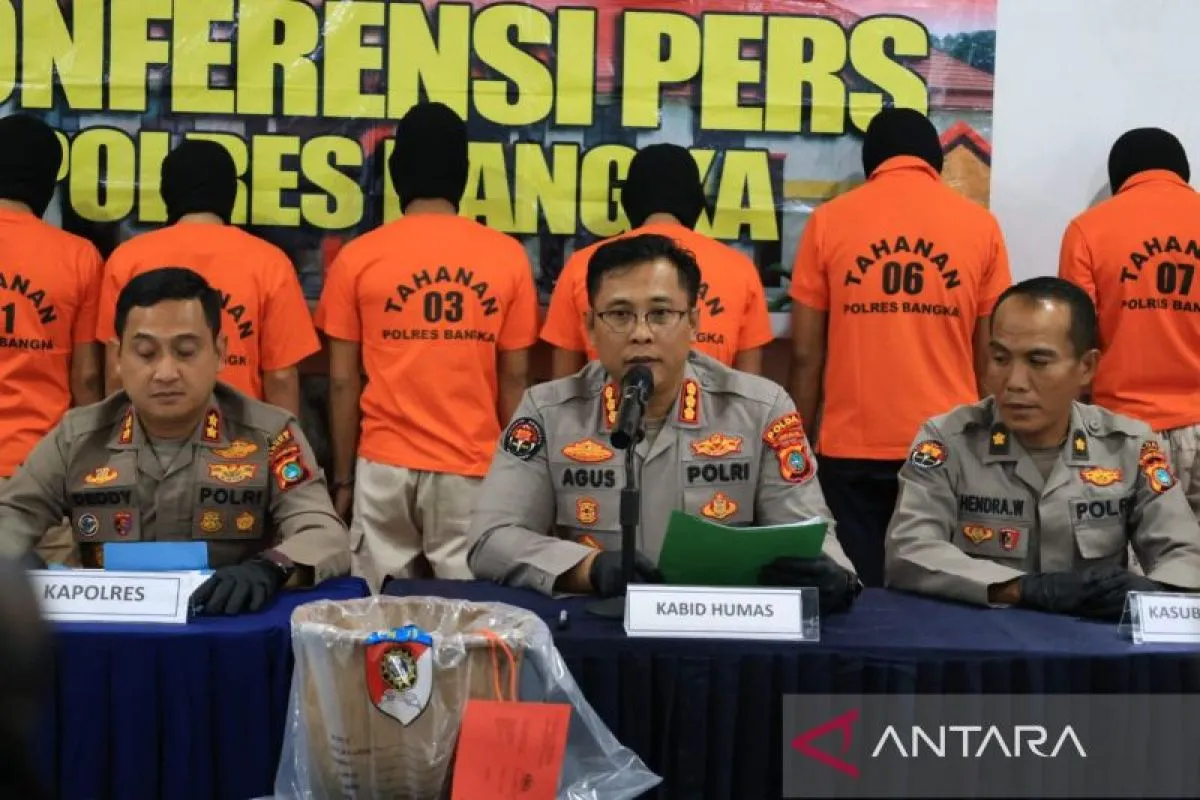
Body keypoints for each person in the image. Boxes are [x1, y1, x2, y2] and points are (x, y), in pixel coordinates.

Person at [468, 233, 860, 613]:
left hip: (722, 632)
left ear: (693, 323)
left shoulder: (760, 409)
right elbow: (491, 538)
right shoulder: (548, 412)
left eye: (660, 314)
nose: (641, 333)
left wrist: (835, 577)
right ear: (589, 327)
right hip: (601, 632)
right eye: (619, 315)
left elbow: (807, 531)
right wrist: (587, 568)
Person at [0, 267, 349, 615]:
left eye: (185, 351)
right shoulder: (77, 437)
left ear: (220, 352)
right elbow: (12, 515)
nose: (166, 373)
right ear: (117, 357)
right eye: (146, 353)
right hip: (111, 627)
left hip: (226, 626)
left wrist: (272, 567)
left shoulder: (270, 435)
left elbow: (324, 532)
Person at [316, 102, 539, 590]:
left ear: (396, 175)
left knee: (377, 613)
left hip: (383, 466)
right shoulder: (507, 257)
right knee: (470, 614)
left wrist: (344, 477)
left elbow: (342, 381)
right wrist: (516, 476)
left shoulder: (357, 258)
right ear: (463, 173)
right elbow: (516, 379)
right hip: (472, 469)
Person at [884, 277, 1200, 619]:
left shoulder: (1128, 445)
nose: (1014, 382)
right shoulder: (948, 441)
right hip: (981, 640)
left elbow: (1184, 552)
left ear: (1086, 367)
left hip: (1092, 641)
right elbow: (909, 551)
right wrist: (1023, 589)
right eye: (1000, 358)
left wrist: (1153, 593)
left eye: (1038, 361)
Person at [788, 108, 1012, 587]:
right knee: (942, 591)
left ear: (872, 161)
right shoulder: (981, 227)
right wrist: (994, 445)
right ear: (935, 160)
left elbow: (806, 355)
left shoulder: (828, 222)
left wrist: (796, 447)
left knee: (857, 593)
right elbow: (992, 354)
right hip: (948, 442)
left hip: (852, 447)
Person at [96, 139, 319, 416]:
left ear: (168, 192)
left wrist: (118, 436)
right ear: (230, 193)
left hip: (151, 433)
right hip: (240, 434)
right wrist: (283, 440)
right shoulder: (270, 262)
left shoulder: (128, 259)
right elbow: (281, 378)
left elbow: (116, 373)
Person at [1059, 127, 1200, 519]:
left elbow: (1074, 339)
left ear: (1120, 175)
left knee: (1127, 553)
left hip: (1123, 428)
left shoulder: (1088, 230)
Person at [540, 143, 774, 378]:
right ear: (696, 199)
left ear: (630, 197)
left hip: (609, 402)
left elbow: (564, 386)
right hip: (710, 404)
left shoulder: (583, 265)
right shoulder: (740, 270)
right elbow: (750, 389)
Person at [0, 113, 104, 568]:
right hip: (39, 474)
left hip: (40, 476)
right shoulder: (78, 256)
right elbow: (87, 378)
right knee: (50, 604)